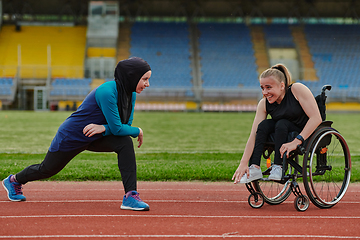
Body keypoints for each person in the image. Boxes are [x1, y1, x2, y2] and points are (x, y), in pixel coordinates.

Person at [2, 57, 152, 211]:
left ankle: (130, 196)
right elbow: (119, 128)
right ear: (131, 77)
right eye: (145, 79)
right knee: (47, 169)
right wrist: (138, 131)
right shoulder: (107, 92)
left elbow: (124, 125)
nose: (147, 84)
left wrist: (104, 129)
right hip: (72, 136)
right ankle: (14, 180)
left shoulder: (131, 94)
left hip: (96, 136)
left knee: (125, 142)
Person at [232, 64, 322, 184]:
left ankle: (278, 167)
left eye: (268, 87)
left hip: (303, 131)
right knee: (263, 126)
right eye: (262, 88)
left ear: (282, 86)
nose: (265, 92)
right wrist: (243, 163)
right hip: (282, 131)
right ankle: (254, 168)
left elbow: (316, 118)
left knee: (282, 123)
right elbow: (253, 135)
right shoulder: (264, 104)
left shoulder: (297, 89)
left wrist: (296, 141)